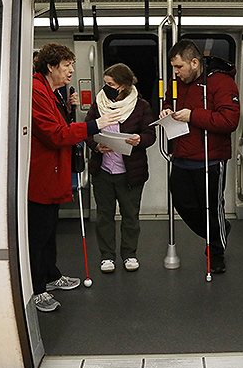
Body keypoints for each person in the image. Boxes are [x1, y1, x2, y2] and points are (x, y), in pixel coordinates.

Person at [29, 43, 121, 312]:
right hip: (41, 174)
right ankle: (37, 289)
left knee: (49, 231)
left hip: (53, 172)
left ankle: (51, 275)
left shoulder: (53, 92)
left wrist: (69, 110)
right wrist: (96, 125)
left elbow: (62, 125)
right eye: (67, 65)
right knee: (38, 234)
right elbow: (55, 135)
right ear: (50, 66)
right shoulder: (36, 91)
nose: (71, 70)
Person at [160, 40, 240, 274]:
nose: (176, 72)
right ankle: (219, 230)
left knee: (211, 207)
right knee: (183, 204)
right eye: (174, 68)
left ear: (194, 63)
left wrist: (193, 115)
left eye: (179, 67)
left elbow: (229, 121)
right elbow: (169, 101)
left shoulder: (221, 82)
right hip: (181, 154)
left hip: (210, 158)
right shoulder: (178, 83)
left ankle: (216, 253)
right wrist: (166, 109)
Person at [85, 63, 156, 273]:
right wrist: (96, 145)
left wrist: (139, 139)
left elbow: (150, 135)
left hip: (130, 173)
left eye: (111, 84)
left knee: (130, 216)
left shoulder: (141, 106)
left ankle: (129, 254)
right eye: (105, 83)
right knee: (104, 216)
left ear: (123, 86)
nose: (106, 87)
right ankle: (107, 256)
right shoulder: (99, 104)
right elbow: (87, 130)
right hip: (103, 170)